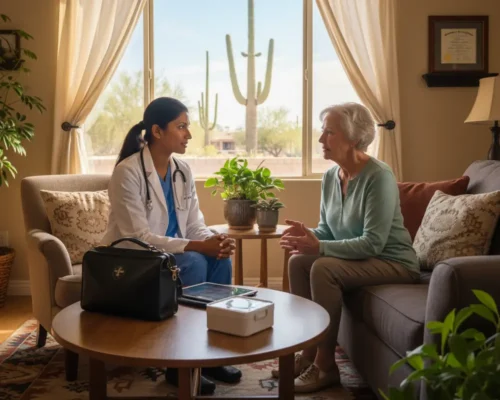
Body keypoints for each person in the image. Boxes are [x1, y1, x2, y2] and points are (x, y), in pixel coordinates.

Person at [274, 102, 420, 393]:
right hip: (363, 258)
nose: (320, 140)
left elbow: (373, 242)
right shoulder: (331, 176)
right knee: (298, 261)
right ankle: (309, 353)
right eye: (322, 131)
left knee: (324, 268)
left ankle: (326, 366)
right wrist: (309, 236)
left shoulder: (379, 177)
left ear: (354, 138)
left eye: (329, 133)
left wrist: (321, 247)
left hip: (392, 261)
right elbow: (328, 230)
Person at [102, 97, 242, 395]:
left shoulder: (182, 170)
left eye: (187, 127)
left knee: (220, 259)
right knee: (196, 262)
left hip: (175, 255)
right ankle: (178, 367)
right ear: (156, 131)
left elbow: (194, 222)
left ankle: (212, 358)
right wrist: (197, 247)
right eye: (181, 127)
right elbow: (139, 236)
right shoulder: (127, 172)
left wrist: (212, 240)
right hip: (135, 261)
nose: (188, 135)